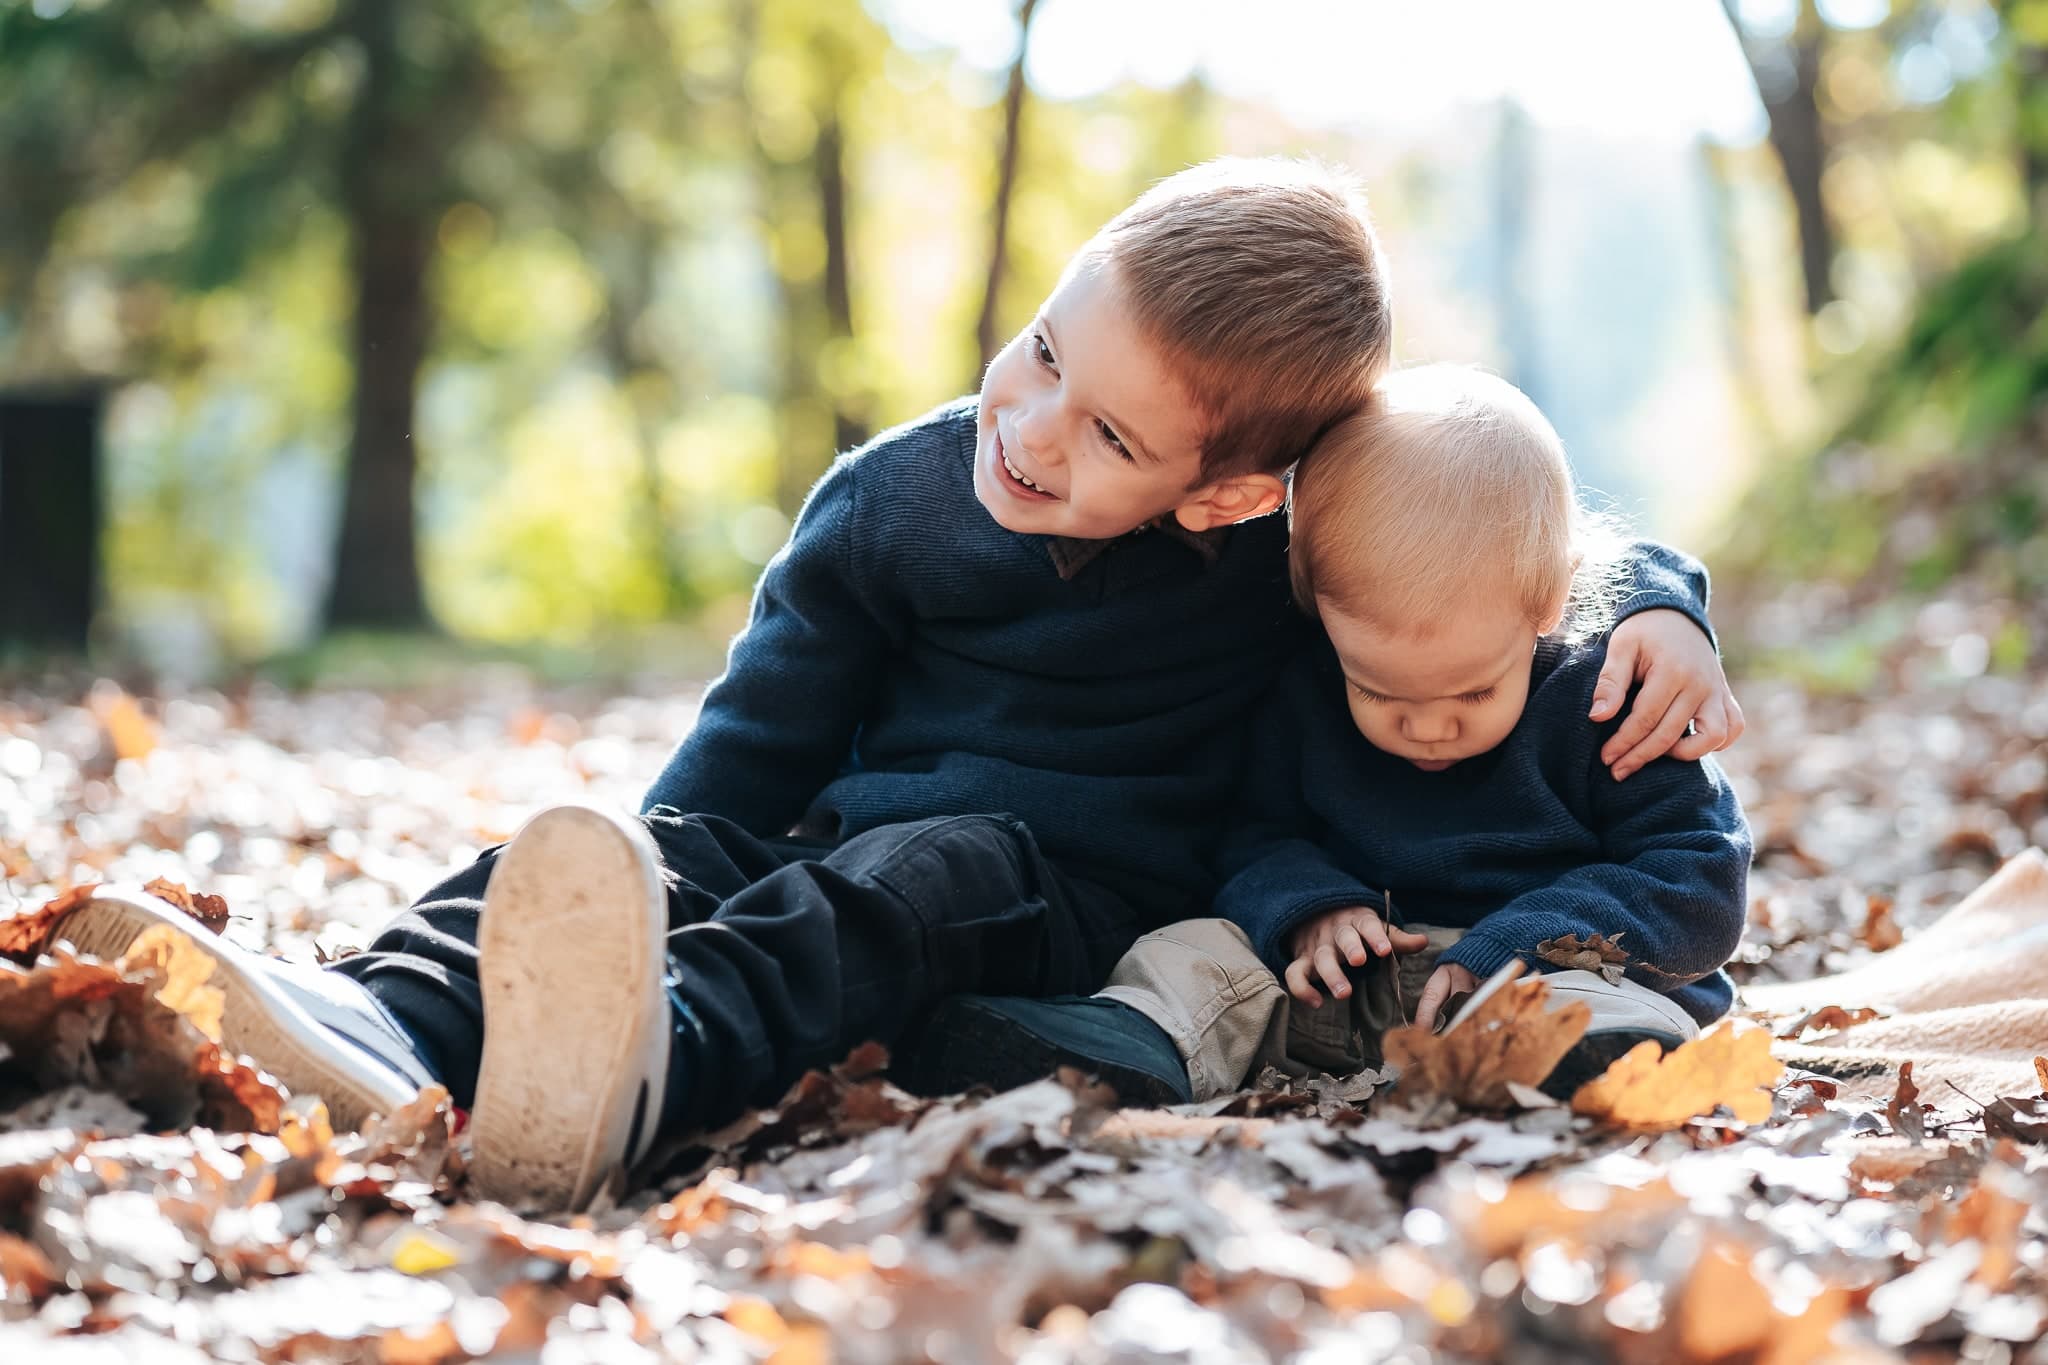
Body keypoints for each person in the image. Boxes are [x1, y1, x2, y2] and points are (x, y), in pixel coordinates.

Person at [42, 164, 1736, 1212]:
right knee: (696, 858)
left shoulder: (1280, 554)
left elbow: (1479, 518)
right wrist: (642, 875)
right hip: (850, 831)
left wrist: (1660, 602)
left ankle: (646, 1065)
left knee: (908, 882)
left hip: (1061, 896)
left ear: (1224, 493)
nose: (1032, 425)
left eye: (1109, 436)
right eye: (1045, 349)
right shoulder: (891, 500)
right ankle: (380, 1015)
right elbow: (750, 742)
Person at [907, 365, 1752, 1105]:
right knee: (1196, 954)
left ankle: (1577, 1059)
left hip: (1536, 976)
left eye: (1473, 689)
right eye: (1377, 689)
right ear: (1320, 615)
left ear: (1550, 604)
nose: (1426, 724)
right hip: (1343, 988)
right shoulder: (1303, 685)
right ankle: (1128, 1044)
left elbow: (1699, 879)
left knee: (1614, 1005)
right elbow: (1250, 832)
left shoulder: (1610, 699)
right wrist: (1310, 910)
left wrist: (1526, 946)